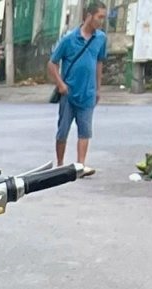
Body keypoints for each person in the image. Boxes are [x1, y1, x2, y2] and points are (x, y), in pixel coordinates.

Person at [50, 2, 108, 168]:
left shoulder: (101, 38)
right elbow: (52, 63)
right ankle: (60, 164)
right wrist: (60, 84)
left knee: (85, 131)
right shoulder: (69, 39)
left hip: (88, 92)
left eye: (103, 17)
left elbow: (99, 63)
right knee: (62, 131)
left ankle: (80, 165)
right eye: (100, 17)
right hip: (69, 92)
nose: (101, 21)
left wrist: (98, 88)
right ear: (89, 16)